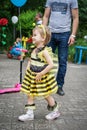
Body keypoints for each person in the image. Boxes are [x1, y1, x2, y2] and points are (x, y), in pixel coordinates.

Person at [18, 25, 60, 121]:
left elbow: (51, 65)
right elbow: (31, 60)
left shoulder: (44, 52)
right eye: (33, 35)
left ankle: (55, 111)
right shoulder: (34, 49)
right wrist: (28, 69)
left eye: (35, 35)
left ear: (43, 38)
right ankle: (29, 114)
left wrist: (41, 74)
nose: (32, 37)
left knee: (46, 94)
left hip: (41, 77)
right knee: (30, 93)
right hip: (32, 76)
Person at [42, 0, 79, 96]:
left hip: (65, 34)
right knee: (47, 60)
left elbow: (75, 18)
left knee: (62, 61)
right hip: (51, 33)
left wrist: (73, 35)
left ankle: (59, 86)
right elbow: (46, 16)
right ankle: (46, 84)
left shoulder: (72, 0)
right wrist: (43, 32)